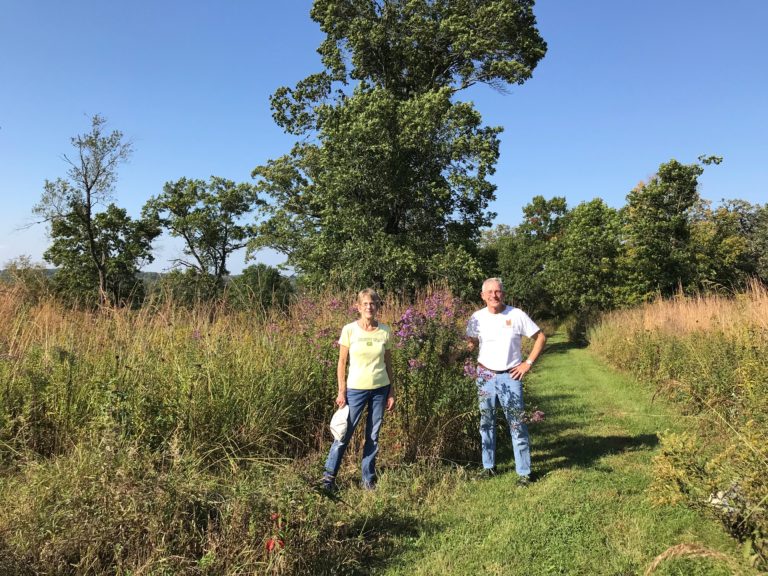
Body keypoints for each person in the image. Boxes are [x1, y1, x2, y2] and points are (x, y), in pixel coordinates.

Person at [465, 277, 546, 485]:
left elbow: (540, 337)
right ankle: (488, 468)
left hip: (511, 376)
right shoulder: (476, 317)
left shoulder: (516, 314)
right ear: (482, 296)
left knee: (517, 424)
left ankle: (524, 473)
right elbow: (471, 344)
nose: (494, 295)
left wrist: (527, 363)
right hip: (485, 375)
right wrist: (452, 356)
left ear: (504, 294)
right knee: (486, 423)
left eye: (498, 291)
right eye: (489, 292)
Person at [322, 288, 395, 491]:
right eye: (365, 303)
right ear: (358, 307)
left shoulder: (385, 331)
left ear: (377, 306)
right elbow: (342, 362)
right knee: (344, 434)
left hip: (380, 389)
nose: (369, 307)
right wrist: (341, 390)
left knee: (372, 436)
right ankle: (328, 478)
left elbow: (388, 363)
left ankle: (368, 479)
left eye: (373, 303)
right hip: (355, 390)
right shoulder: (349, 330)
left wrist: (392, 391)